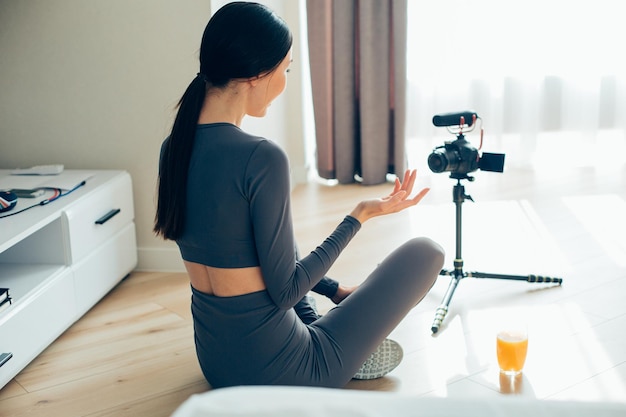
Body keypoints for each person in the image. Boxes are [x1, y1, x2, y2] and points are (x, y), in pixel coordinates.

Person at [154, 1, 445, 389]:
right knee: (427, 251)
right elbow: (287, 289)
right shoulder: (261, 157)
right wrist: (359, 215)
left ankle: (333, 325)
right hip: (288, 373)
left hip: (217, 365)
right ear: (258, 74)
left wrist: (335, 289)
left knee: (274, 242)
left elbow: (264, 263)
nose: (285, 81)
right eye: (286, 69)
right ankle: (344, 346)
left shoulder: (173, 149)